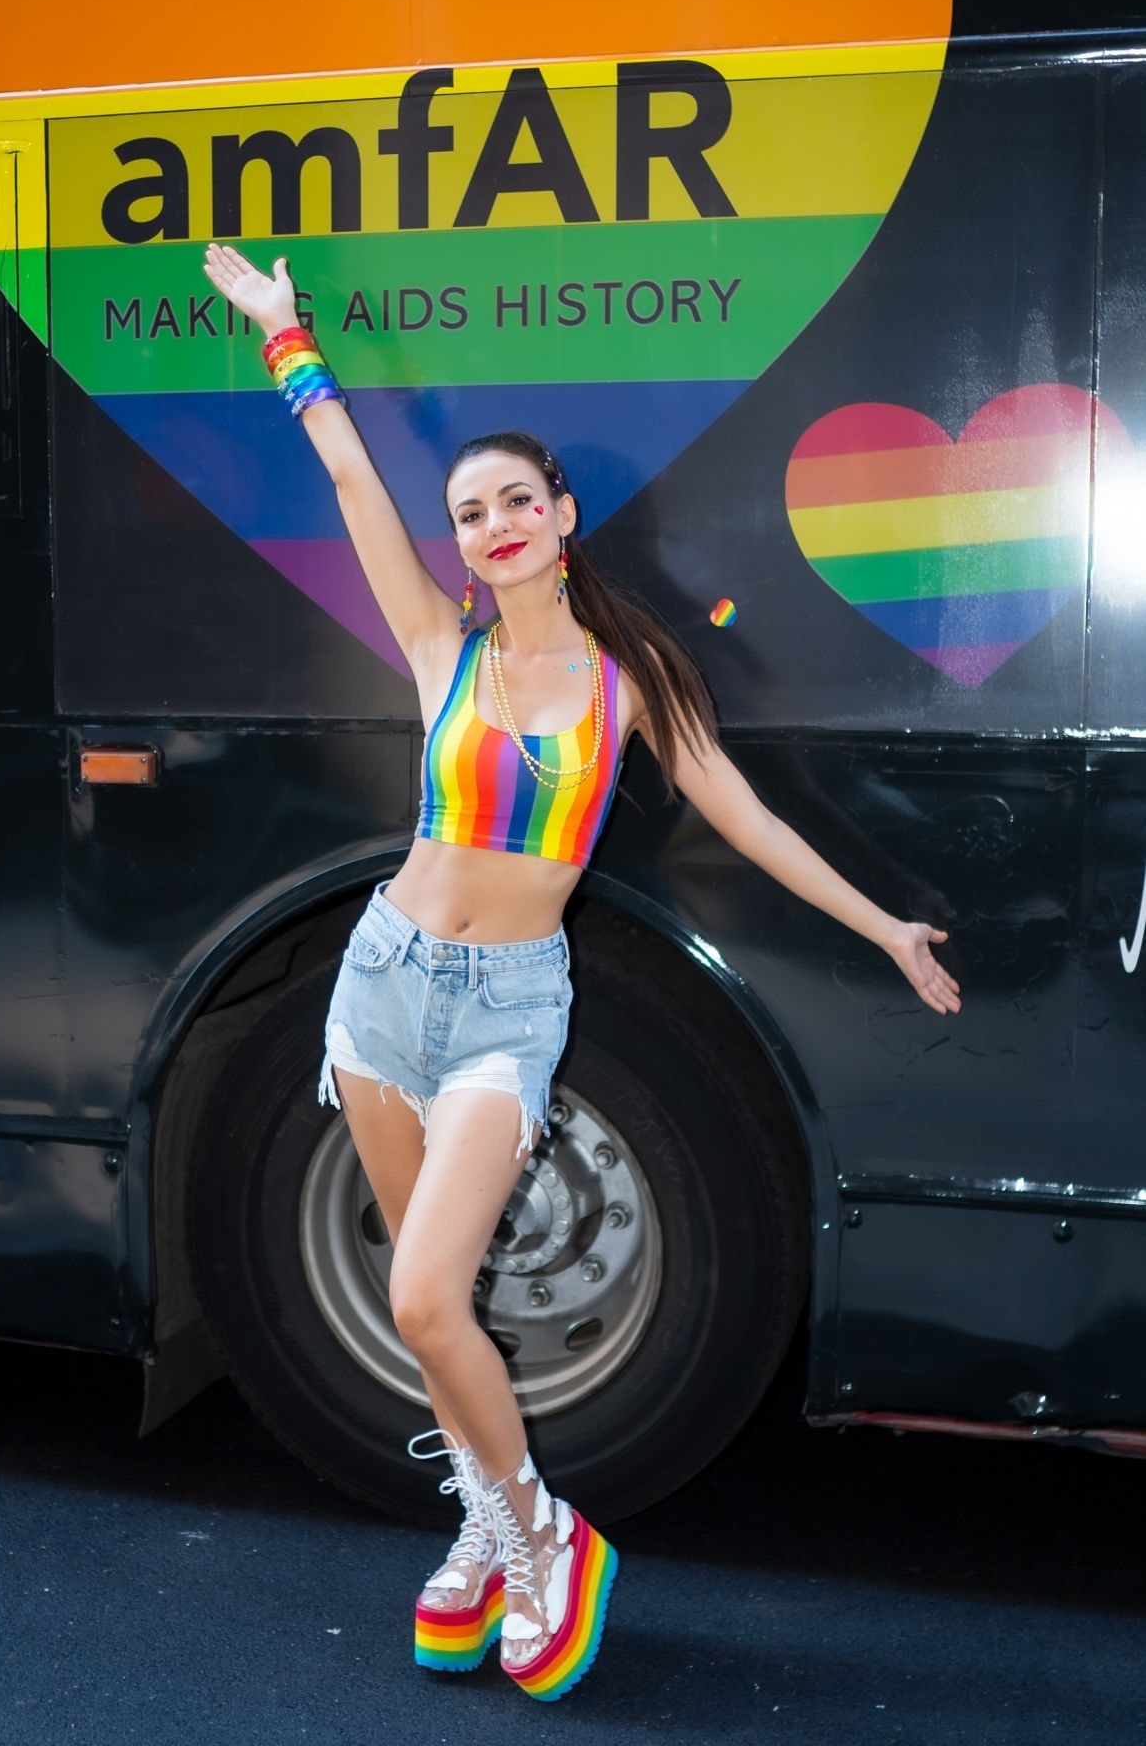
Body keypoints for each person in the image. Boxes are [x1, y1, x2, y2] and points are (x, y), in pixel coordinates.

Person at [201, 244, 961, 1703]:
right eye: (468, 512)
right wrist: (287, 339)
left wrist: (883, 927)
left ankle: (540, 1527)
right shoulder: (443, 652)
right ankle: (488, 1525)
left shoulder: (628, 686)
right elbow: (359, 492)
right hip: (380, 991)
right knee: (425, 1291)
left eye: (510, 503)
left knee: (426, 1296)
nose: (485, 526)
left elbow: (746, 818)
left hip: (503, 1010)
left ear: (560, 518)